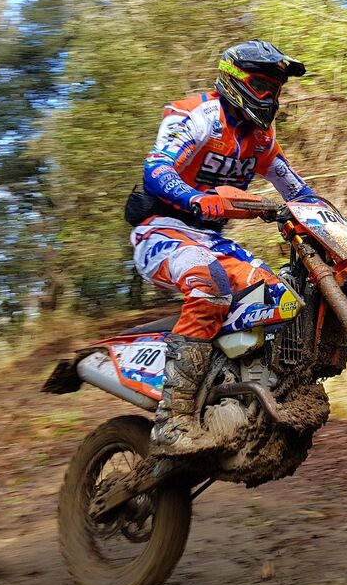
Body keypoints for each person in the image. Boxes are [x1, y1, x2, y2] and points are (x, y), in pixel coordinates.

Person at [125, 40, 315, 455]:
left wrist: (339, 221)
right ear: (234, 81)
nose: (270, 98)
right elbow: (157, 169)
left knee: (279, 299)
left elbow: (297, 191)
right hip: (160, 229)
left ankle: (243, 395)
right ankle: (173, 420)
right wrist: (194, 197)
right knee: (209, 282)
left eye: (275, 90)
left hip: (209, 238)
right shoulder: (198, 116)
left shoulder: (261, 139)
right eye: (262, 87)